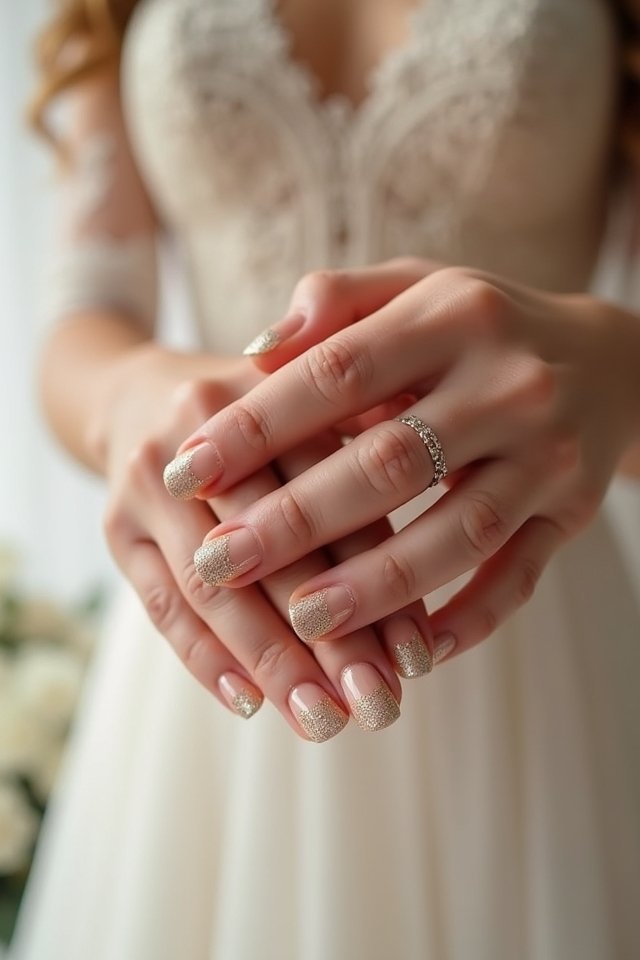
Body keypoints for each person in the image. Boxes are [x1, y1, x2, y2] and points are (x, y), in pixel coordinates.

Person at [10, 0, 640, 957]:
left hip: (513, 613)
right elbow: (86, 313)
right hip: (221, 587)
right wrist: (137, 399)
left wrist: (618, 372)